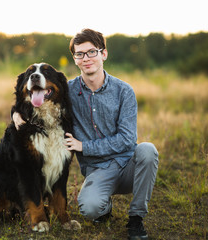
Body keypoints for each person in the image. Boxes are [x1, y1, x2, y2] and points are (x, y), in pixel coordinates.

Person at [13, 28, 159, 240]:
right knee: (89, 209)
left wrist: (84, 146)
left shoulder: (124, 91)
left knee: (147, 150)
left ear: (104, 54)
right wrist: (15, 113)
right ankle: (103, 204)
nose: (86, 58)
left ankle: (136, 218)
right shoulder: (67, 90)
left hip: (128, 166)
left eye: (92, 52)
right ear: (75, 59)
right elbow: (30, 98)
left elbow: (128, 140)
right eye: (80, 54)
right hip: (98, 171)